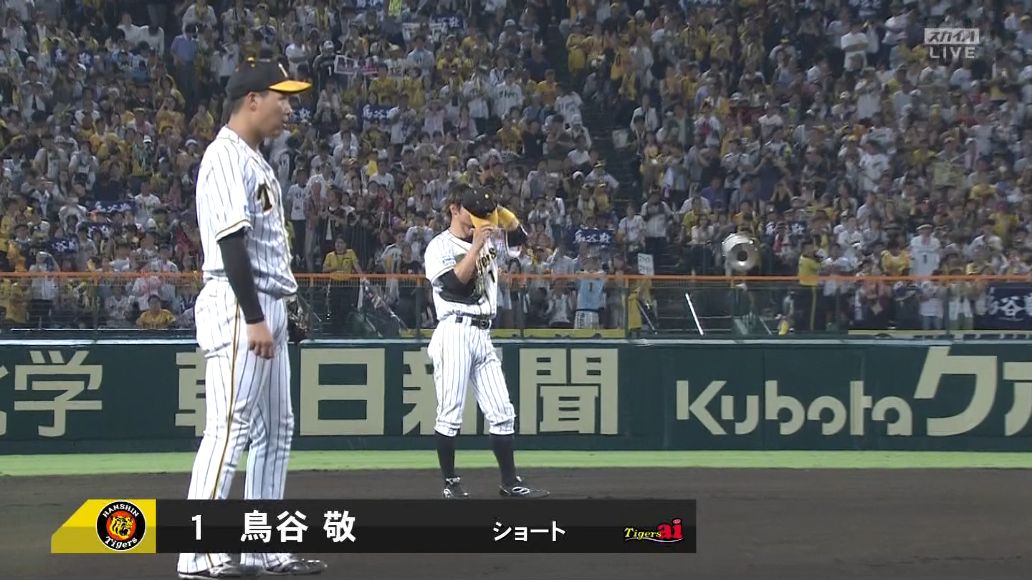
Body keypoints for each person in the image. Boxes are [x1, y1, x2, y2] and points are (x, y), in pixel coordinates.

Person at [177, 58, 325, 579]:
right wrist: (257, 315)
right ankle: (198, 553)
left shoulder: (256, 160)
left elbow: (264, 250)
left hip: (267, 304)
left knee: (277, 430)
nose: (289, 107)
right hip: (242, 306)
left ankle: (264, 548)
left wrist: (286, 309)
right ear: (252, 99)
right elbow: (231, 245)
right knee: (229, 428)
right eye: (282, 97)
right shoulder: (224, 156)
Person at [422, 184, 549, 499]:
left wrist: (504, 216)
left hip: (483, 333)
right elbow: (454, 285)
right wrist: (476, 247)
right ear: (454, 209)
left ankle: (510, 482)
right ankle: (451, 484)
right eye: (474, 212)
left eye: (483, 213)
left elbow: (519, 241)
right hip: (454, 330)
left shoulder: (489, 238)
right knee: (450, 412)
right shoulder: (439, 246)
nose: (480, 218)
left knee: (502, 411)